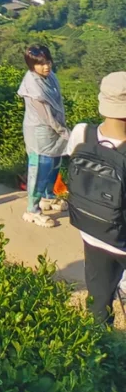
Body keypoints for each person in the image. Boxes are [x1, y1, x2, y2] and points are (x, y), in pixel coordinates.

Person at [66, 71, 126, 323]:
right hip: (122, 239)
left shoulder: (81, 133)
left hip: (91, 231)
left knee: (98, 306)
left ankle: (100, 356)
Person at [18, 45, 70, 227]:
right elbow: (47, 116)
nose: (46, 67)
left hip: (55, 131)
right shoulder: (33, 87)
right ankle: (32, 210)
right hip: (40, 132)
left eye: (47, 62)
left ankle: (48, 197)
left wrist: (62, 130)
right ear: (31, 66)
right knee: (40, 169)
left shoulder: (51, 77)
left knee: (55, 163)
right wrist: (65, 132)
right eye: (40, 64)